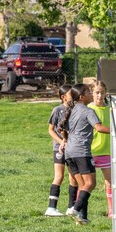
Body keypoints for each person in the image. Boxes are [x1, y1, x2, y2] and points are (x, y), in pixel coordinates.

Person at [58, 83, 110, 225]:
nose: (91, 94)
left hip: (69, 153)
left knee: (82, 185)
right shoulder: (88, 111)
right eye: (89, 92)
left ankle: (82, 217)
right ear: (82, 97)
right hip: (82, 151)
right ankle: (74, 208)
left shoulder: (71, 110)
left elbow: (61, 128)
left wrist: (66, 139)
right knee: (90, 183)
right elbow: (98, 127)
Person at [44, 84, 79, 217]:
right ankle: (51, 208)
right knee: (59, 176)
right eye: (71, 94)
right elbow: (50, 130)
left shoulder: (76, 110)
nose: (74, 97)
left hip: (72, 149)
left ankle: (71, 207)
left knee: (74, 178)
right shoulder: (57, 110)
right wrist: (61, 142)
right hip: (59, 149)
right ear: (63, 97)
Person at [88, 80, 114, 217]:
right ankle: (79, 208)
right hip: (90, 151)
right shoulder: (88, 109)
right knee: (88, 183)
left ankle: (111, 210)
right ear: (91, 93)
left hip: (106, 151)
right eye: (97, 92)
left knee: (110, 181)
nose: (99, 95)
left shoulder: (110, 108)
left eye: (102, 92)